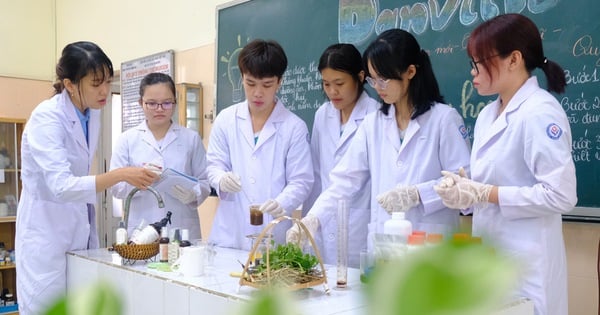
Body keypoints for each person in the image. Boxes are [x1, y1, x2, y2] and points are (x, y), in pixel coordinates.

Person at [434, 13, 577, 315]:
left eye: (479, 62)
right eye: (471, 63)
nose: (473, 73)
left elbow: (561, 195)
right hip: (491, 260)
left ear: (514, 59)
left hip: (528, 266)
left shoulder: (540, 112)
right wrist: (463, 189)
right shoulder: (488, 114)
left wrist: (486, 193)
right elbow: (494, 176)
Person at [287, 29, 471, 251]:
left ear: (410, 71)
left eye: (383, 79)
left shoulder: (443, 119)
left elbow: (465, 183)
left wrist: (418, 194)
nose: (377, 88)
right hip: (383, 246)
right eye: (373, 79)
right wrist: (313, 219)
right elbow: (345, 181)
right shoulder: (373, 123)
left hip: (428, 247)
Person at [15, 41, 159, 315]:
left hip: (77, 230)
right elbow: (61, 186)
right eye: (96, 84)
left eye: (108, 81)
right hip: (45, 235)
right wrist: (119, 174)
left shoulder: (91, 113)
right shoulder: (47, 119)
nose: (104, 90)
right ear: (69, 84)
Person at [206, 39, 313, 250]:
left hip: (273, 233)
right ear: (242, 78)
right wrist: (221, 179)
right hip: (230, 234)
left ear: (280, 82)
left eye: (267, 85)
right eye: (250, 83)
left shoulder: (294, 127)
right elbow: (213, 165)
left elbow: (301, 180)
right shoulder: (226, 119)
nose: (257, 93)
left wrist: (282, 203)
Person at [303, 43, 379, 267]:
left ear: (360, 76)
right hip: (323, 223)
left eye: (339, 83)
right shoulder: (322, 114)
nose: (332, 92)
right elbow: (316, 173)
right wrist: (310, 219)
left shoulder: (376, 115)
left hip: (358, 223)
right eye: (326, 84)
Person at [110, 72, 211, 240]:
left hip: (181, 227)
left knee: (183, 263)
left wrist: (194, 194)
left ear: (175, 102)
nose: (159, 109)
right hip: (140, 230)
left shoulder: (190, 138)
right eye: (152, 103)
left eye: (166, 103)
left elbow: (205, 182)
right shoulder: (127, 140)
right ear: (140, 103)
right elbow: (116, 188)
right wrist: (139, 179)